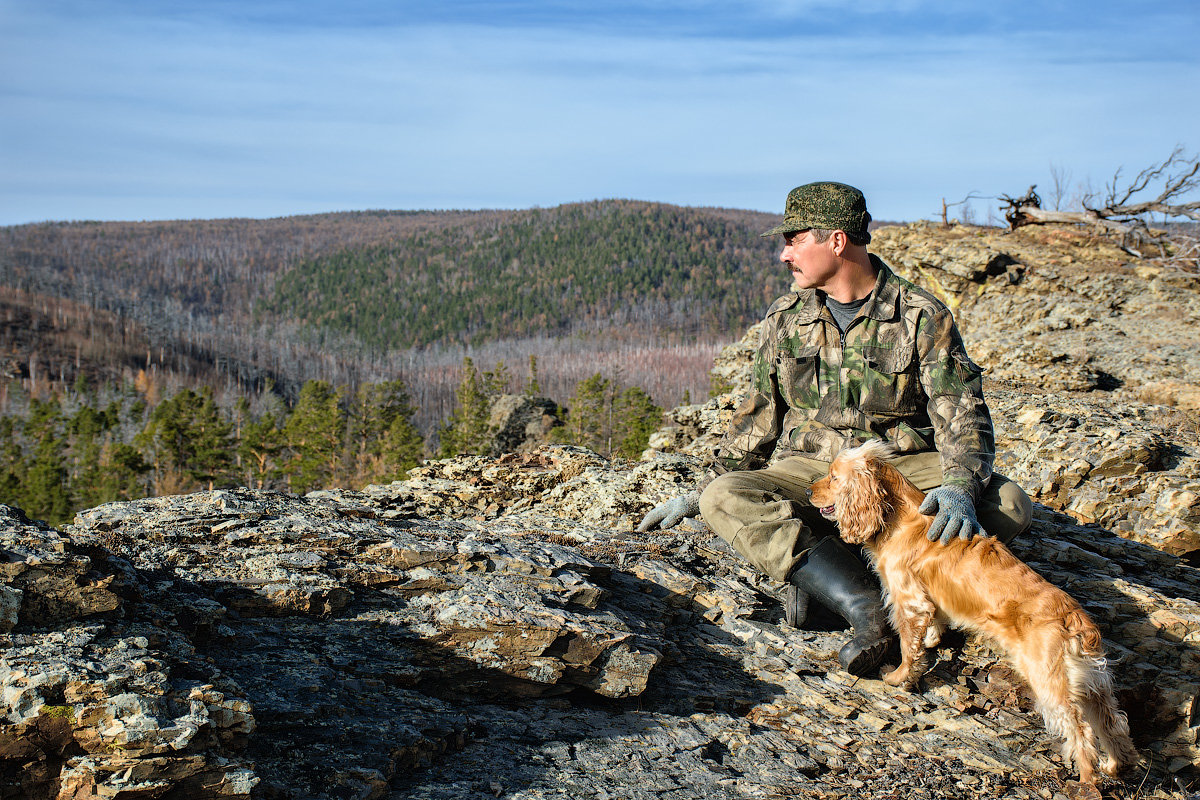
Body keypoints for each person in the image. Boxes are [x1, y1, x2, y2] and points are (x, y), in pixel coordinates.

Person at [638, 181, 1033, 676]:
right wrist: (702, 493)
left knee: (1009, 505)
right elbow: (756, 416)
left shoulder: (920, 315)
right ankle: (866, 602)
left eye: (795, 239)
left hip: (896, 466)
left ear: (837, 241)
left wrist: (958, 487)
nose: (784, 255)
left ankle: (826, 593)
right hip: (812, 469)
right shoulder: (785, 318)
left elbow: (962, 413)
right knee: (725, 497)